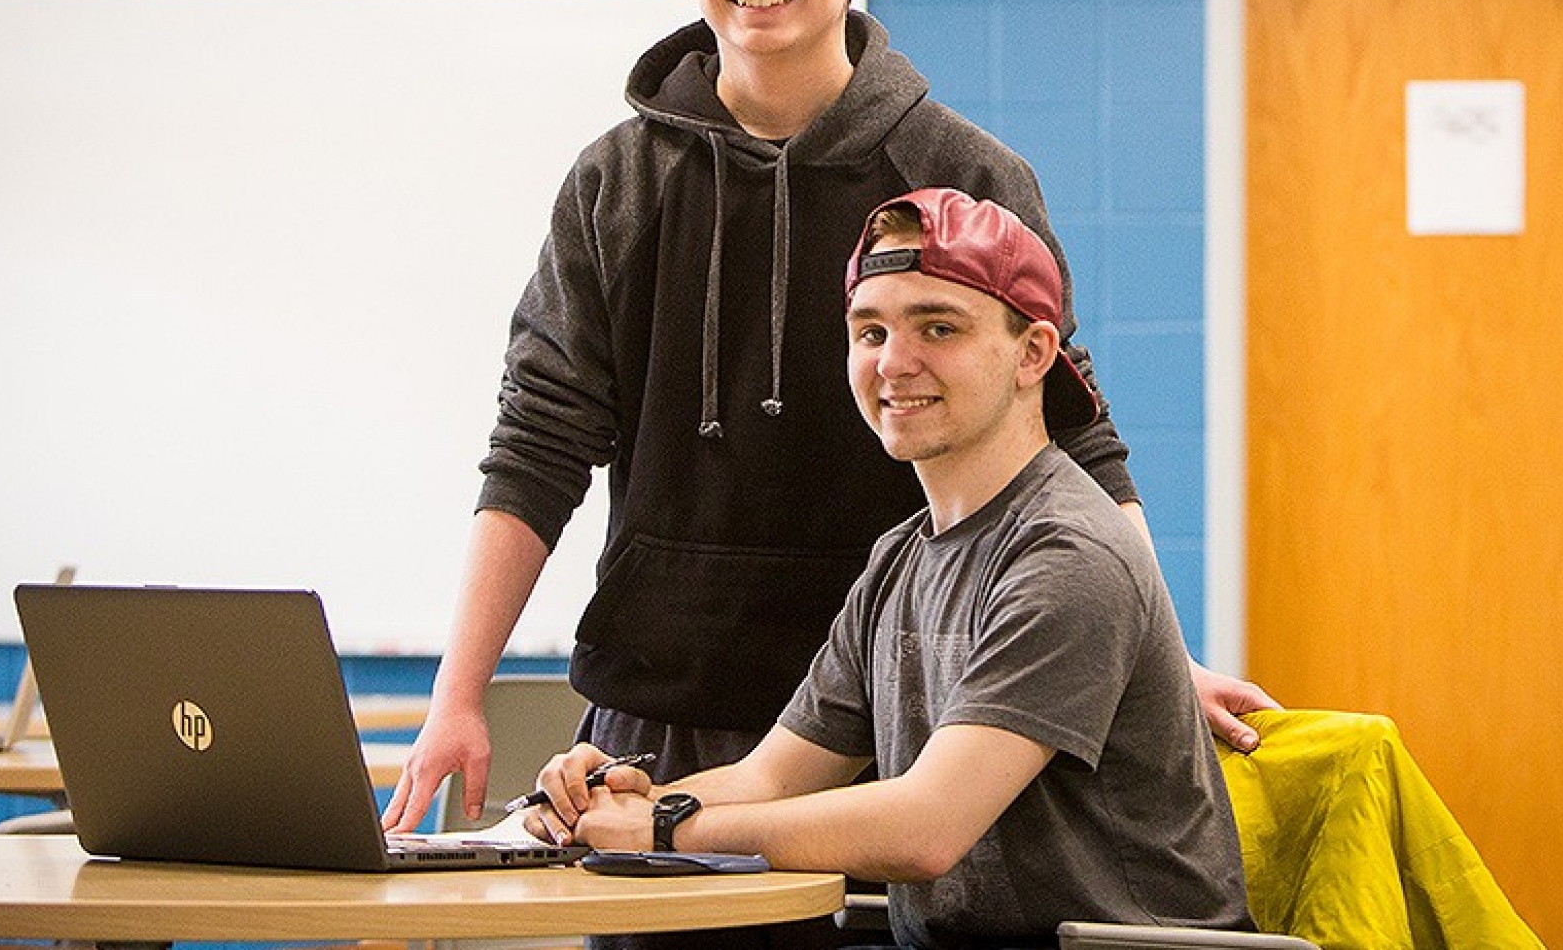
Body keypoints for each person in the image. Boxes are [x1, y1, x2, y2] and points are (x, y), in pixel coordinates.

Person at [381, 0, 1273, 946]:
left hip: (918, 723)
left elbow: (1072, 429)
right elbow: (538, 437)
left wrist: (1144, 646)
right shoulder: (615, 181)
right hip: (686, 704)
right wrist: (461, 693)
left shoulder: (962, 173)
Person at [527, 188, 1254, 949]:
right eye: (869, 331)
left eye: (937, 327)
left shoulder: (1066, 553)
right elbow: (770, 777)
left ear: (1033, 353)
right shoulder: (901, 558)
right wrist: (611, 806)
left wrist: (662, 828)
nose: (894, 363)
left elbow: (925, 826)